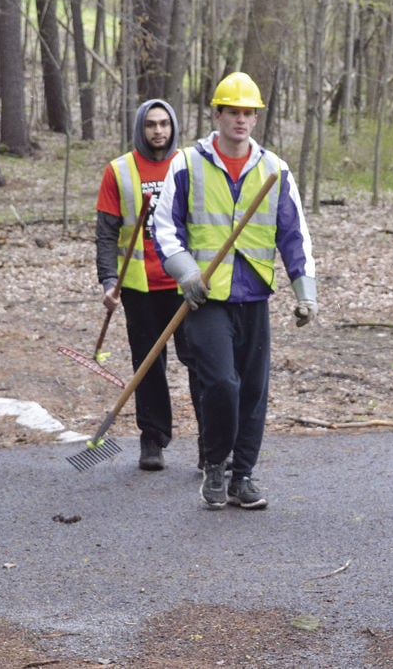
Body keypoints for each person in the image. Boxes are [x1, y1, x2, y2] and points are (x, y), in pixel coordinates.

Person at [151, 72, 317, 511]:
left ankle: (243, 475)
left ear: (256, 118)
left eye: (248, 113)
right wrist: (185, 271)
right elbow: (164, 226)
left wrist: (306, 291)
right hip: (205, 297)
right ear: (217, 114)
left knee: (253, 390)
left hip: (254, 294)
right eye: (233, 112)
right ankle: (215, 464)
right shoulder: (187, 164)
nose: (241, 120)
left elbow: (293, 233)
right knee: (222, 383)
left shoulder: (274, 169)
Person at [95, 99, 201, 472]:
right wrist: (109, 281)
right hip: (139, 287)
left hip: (187, 284)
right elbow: (106, 234)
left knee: (201, 362)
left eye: (164, 124)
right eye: (151, 125)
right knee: (148, 365)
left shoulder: (189, 164)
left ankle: (211, 447)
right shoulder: (119, 171)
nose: (158, 131)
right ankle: (153, 439)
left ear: (173, 127)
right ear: (141, 128)